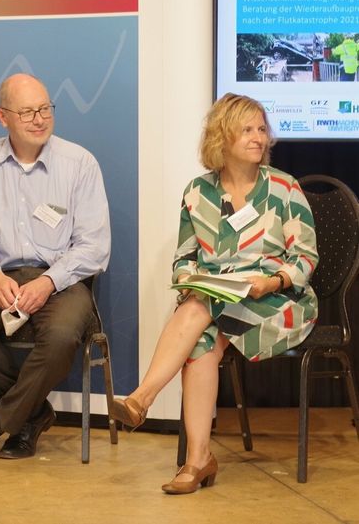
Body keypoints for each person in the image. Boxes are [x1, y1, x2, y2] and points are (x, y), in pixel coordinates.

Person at [109, 93, 318, 494]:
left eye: (261, 129)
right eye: (247, 129)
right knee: (201, 334)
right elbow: (184, 259)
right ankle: (196, 461)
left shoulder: (283, 188)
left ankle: (142, 399)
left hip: (278, 302)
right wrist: (194, 279)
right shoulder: (197, 192)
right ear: (222, 137)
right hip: (220, 299)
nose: (259, 137)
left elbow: (305, 257)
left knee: (199, 313)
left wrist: (273, 281)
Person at [0, 73, 110, 459]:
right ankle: (32, 414)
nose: (39, 119)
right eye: (28, 112)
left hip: (62, 280)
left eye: (45, 109)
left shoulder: (79, 163)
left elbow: (94, 247)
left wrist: (49, 281)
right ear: (3, 117)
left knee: (62, 335)